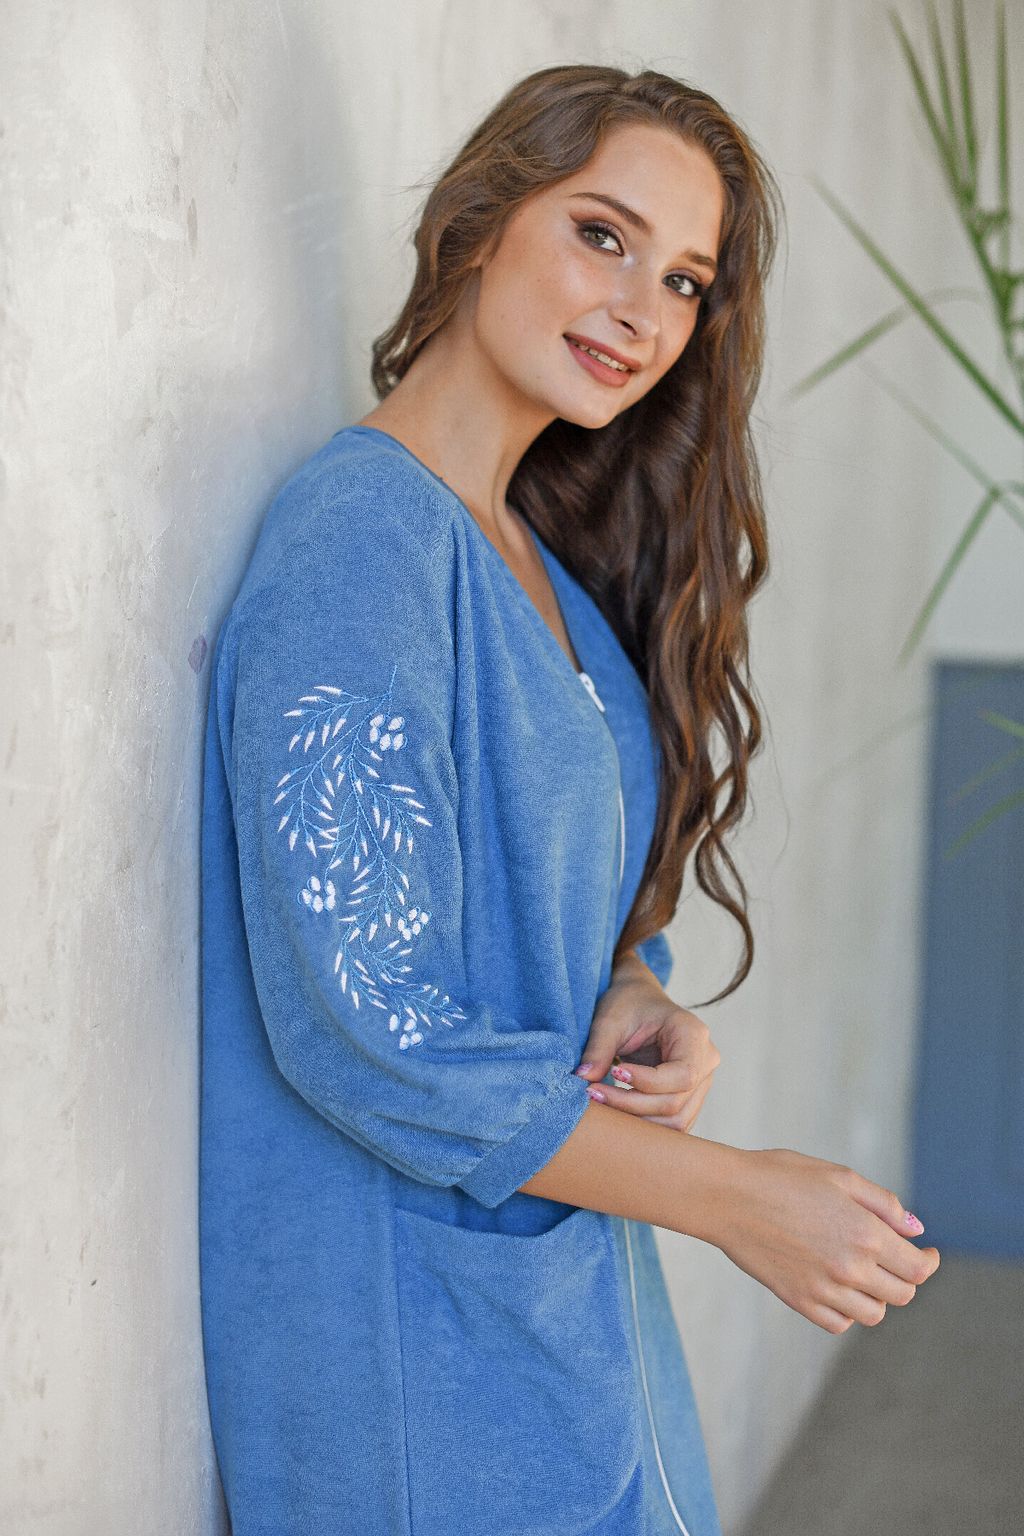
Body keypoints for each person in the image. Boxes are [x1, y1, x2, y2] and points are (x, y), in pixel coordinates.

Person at [199, 62, 940, 1536]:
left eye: (684, 281)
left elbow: (563, 894)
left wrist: (633, 985)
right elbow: (369, 1032)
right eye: (603, 234)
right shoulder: (359, 545)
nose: (642, 310)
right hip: (409, 1337)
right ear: (480, 222)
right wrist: (732, 1198)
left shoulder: (543, 568)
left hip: (570, 1304)